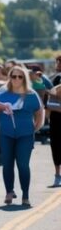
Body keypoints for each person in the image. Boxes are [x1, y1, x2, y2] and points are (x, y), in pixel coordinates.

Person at [0, 66, 45, 206]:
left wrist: (36, 127)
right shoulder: (1, 93)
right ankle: (9, 191)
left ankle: (25, 196)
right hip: (6, 134)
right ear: (10, 77)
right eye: (13, 76)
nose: (16, 79)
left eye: (20, 77)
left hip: (25, 135)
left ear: (24, 78)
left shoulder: (31, 94)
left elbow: (39, 112)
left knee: (22, 165)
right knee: (7, 164)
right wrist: (0, 113)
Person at [48, 55, 61, 187]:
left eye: (59, 62)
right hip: (57, 117)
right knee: (56, 146)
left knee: (56, 145)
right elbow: (50, 100)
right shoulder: (55, 78)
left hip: (56, 117)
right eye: (57, 62)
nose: (57, 64)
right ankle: (57, 174)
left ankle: (58, 175)